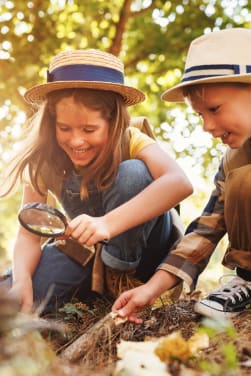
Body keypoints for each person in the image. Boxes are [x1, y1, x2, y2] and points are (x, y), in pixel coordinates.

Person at [0, 49, 193, 314]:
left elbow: (180, 183)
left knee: (134, 173)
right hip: (85, 254)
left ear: (113, 122)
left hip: (147, 256)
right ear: (51, 122)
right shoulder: (45, 161)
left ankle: (120, 281)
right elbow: (29, 233)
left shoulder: (131, 139)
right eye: (64, 128)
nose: (76, 141)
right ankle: (93, 289)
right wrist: (22, 279)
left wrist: (106, 224)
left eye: (89, 130)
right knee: (16, 295)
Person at [112, 27, 251, 322]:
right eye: (200, 115)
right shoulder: (234, 161)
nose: (207, 126)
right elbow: (205, 230)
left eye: (214, 109)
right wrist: (151, 289)